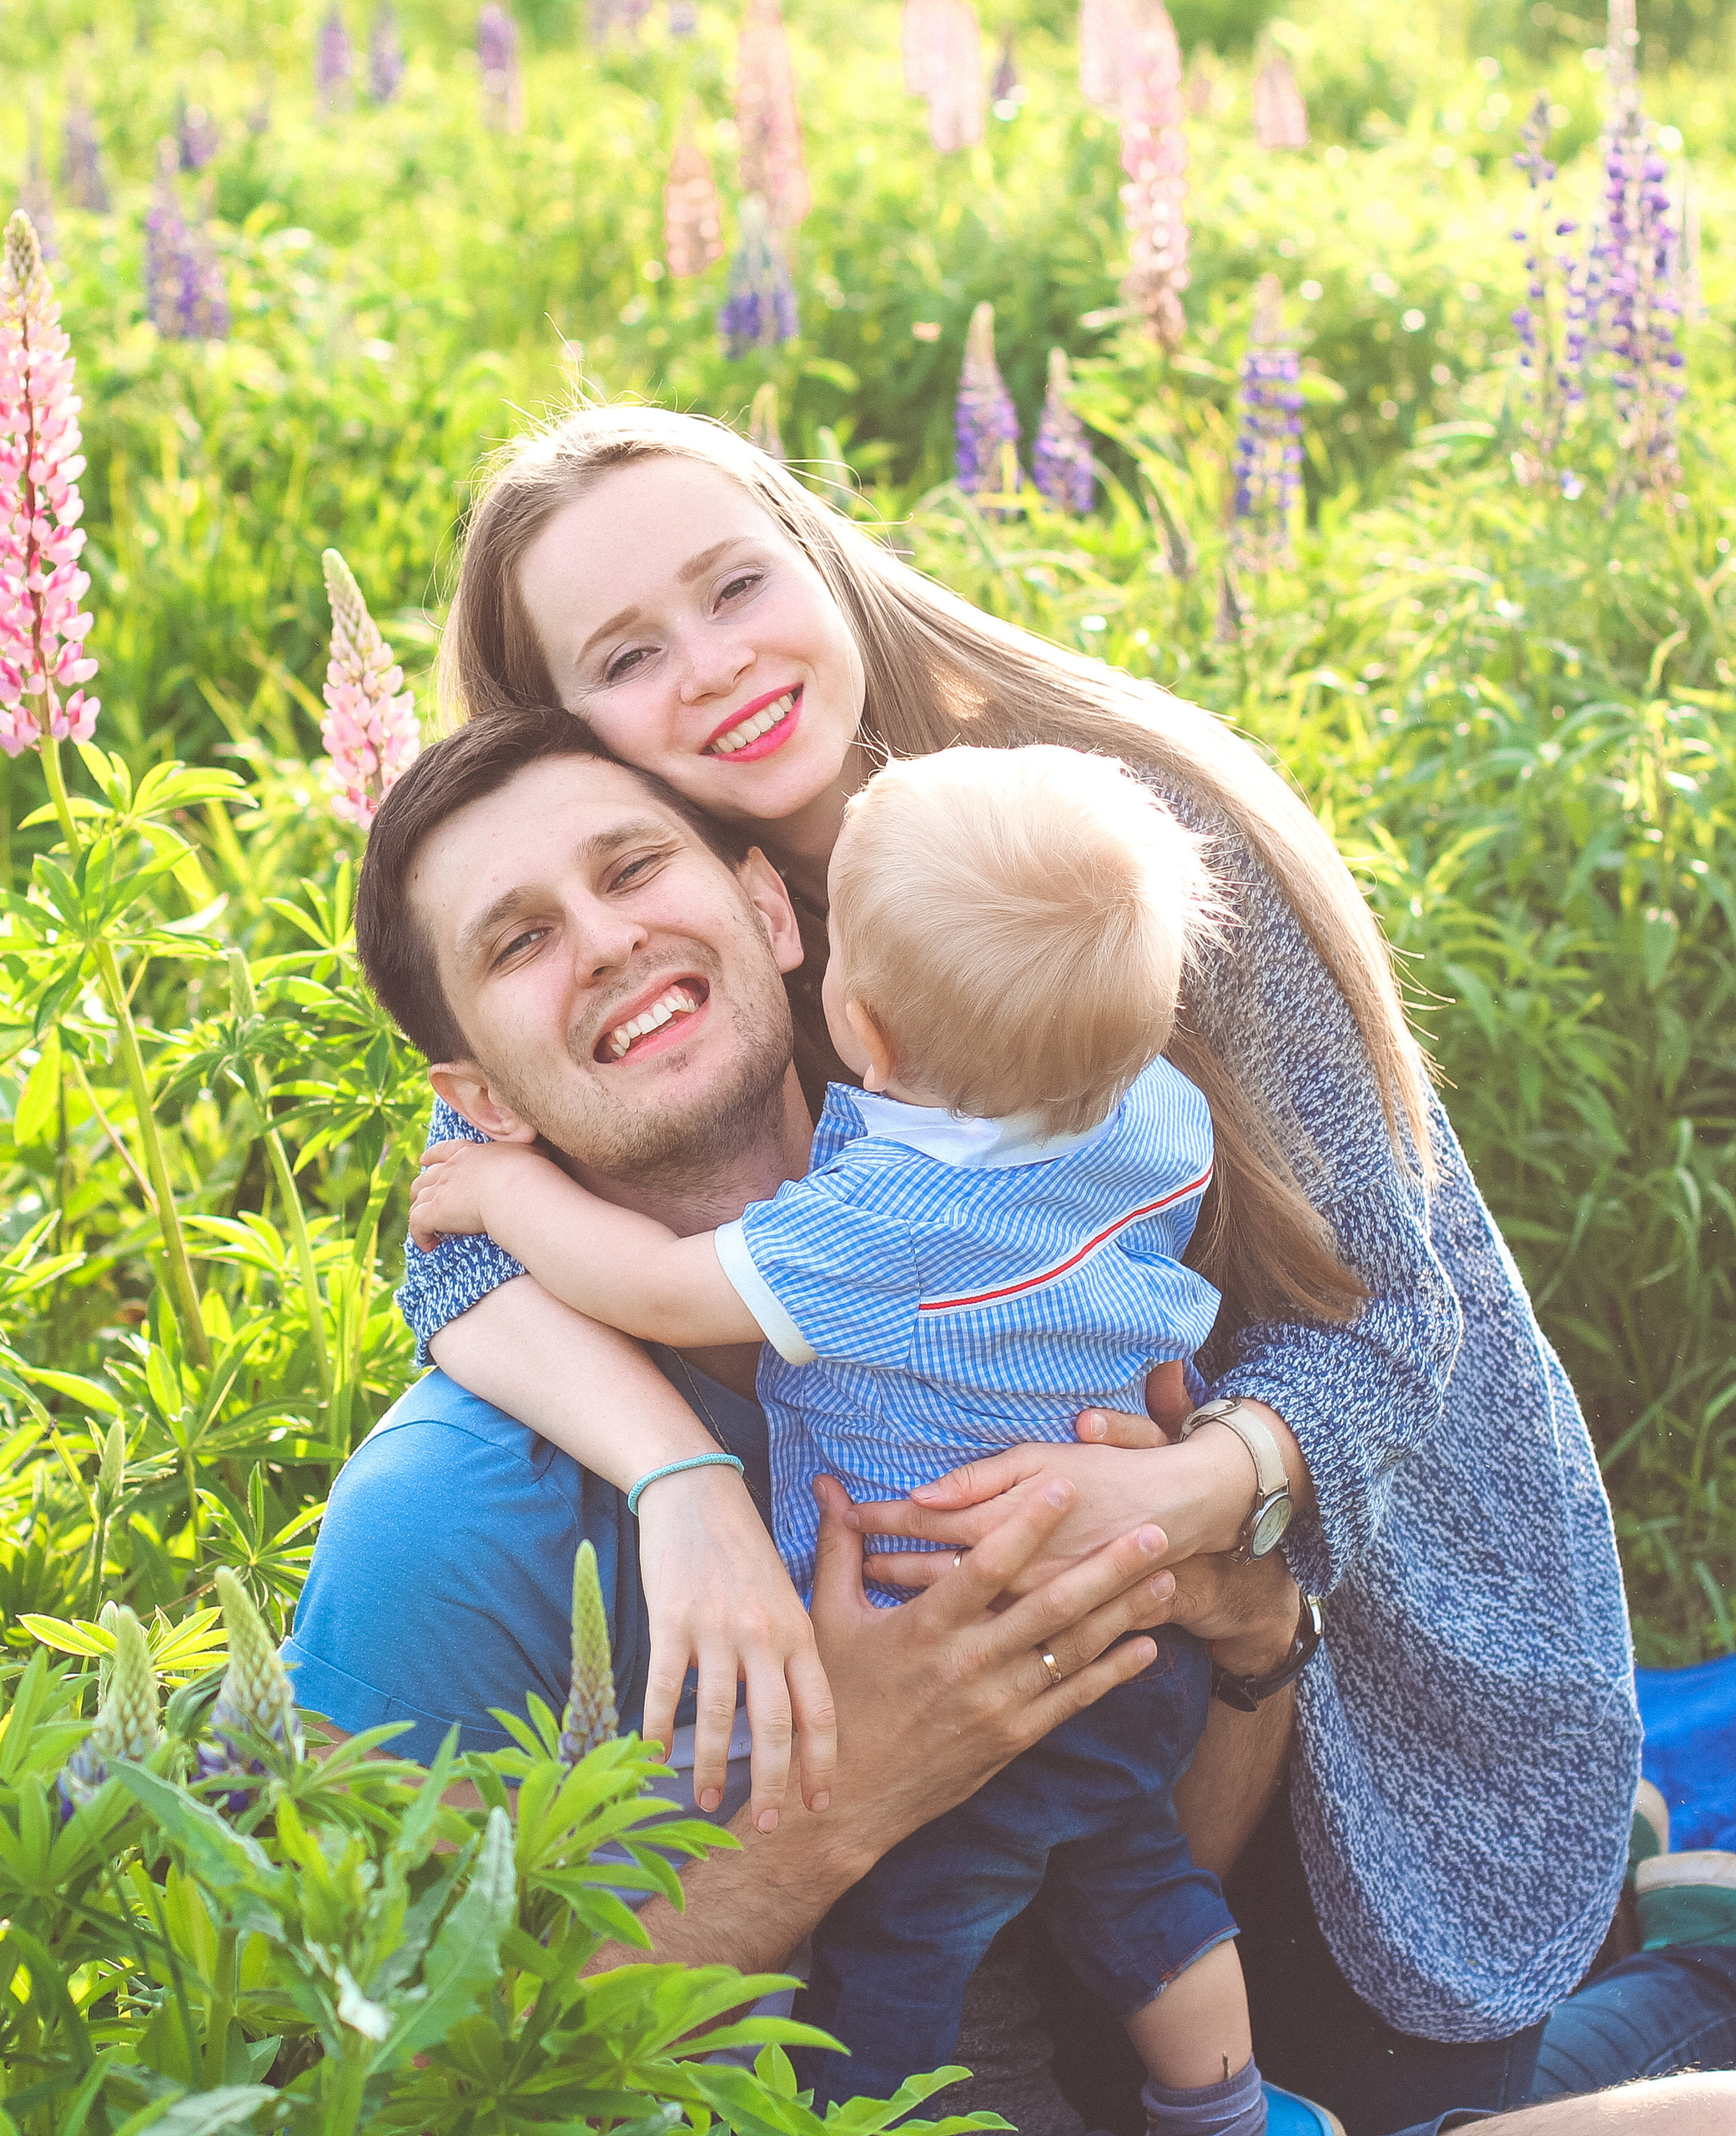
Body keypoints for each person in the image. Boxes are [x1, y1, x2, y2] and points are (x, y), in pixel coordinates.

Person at [390, 402, 1642, 2133]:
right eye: (624, 653)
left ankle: (1679, 1942)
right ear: (558, 722)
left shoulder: (1104, 847)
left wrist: (1191, 1494)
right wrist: (677, 1475)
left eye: (735, 583)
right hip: (1063, 1666)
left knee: (1375, 2064)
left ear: (820, 558)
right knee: (1085, 2015)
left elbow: (1397, 1324)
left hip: (1371, 1629)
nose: (710, 666)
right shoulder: (682, 933)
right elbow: (454, 1249)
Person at [406, 743, 1281, 2126]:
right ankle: (1227, 2105)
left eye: (634, 867)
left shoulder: (870, 1230)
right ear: (479, 1096)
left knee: (896, 1968)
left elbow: (652, 1282)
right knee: (1137, 1884)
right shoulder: (1147, 1117)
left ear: (788, 928)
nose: (609, 940)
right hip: (1127, 1696)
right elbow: (412, 2072)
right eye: (521, 940)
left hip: (1024, 1672)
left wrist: (495, 1198)